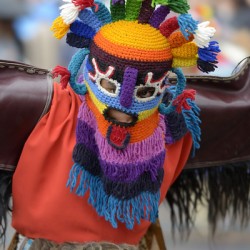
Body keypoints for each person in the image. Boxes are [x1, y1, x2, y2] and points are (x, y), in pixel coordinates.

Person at [0, 0, 220, 249]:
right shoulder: (51, 107)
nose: (123, 111)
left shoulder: (173, 128)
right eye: (109, 87)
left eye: (144, 91)